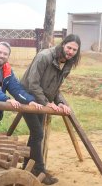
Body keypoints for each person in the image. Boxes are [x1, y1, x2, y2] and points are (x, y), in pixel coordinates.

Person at [20, 34, 81, 185]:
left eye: (74, 49)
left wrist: (59, 102)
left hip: (41, 99)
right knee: (38, 133)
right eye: (69, 47)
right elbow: (32, 83)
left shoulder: (67, 63)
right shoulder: (44, 57)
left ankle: (26, 167)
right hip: (27, 95)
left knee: (36, 134)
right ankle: (40, 171)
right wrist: (47, 102)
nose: (71, 51)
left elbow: (55, 88)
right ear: (63, 44)